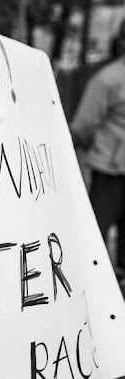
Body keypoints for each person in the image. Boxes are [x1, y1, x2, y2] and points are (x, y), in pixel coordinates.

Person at [71, 20, 125, 279]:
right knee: (97, 236)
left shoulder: (108, 78)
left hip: (110, 169)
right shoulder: (109, 79)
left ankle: (97, 288)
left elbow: (83, 126)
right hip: (110, 170)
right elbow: (85, 124)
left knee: (94, 239)